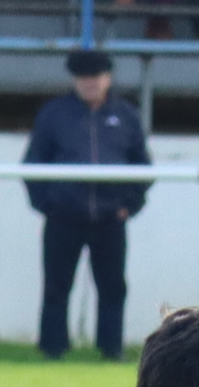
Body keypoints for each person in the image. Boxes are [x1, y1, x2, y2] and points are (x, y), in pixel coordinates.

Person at [23, 50, 152, 362]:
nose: (90, 83)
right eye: (83, 78)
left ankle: (111, 349)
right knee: (56, 286)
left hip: (110, 218)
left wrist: (129, 205)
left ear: (108, 78)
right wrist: (47, 204)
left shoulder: (126, 115)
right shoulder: (54, 114)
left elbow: (143, 167)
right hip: (64, 216)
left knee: (113, 287)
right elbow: (33, 163)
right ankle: (52, 348)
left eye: (95, 77)